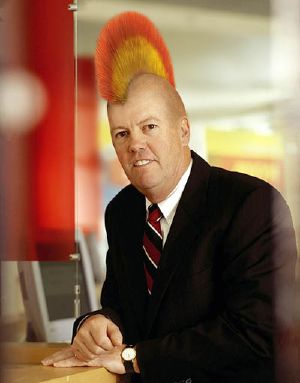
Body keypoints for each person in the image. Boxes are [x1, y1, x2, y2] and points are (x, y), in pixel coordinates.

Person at [42, 12, 297, 383]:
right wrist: (94, 324)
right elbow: (124, 309)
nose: (135, 145)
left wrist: (134, 357)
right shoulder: (123, 211)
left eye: (149, 127)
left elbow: (255, 332)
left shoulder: (252, 204)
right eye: (121, 134)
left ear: (183, 130)